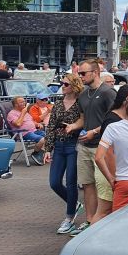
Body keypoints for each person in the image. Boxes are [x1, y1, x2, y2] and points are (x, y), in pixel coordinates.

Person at [67, 59, 116, 236]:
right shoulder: (83, 94)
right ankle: (89, 220)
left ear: (95, 73)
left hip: (101, 147)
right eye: (79, 73)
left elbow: (113, 120)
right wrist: (74, 126)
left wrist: (94, 132)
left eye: (83, 73)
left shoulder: (107, 92)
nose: (80, 77)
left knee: (103, 185)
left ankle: (102, 220)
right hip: (84, 145)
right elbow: (82, 118)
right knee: (87, 183)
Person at [43, 74, 85, 234]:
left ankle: (69, 218)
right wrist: (48, 148)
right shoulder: (58, 104)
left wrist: (75, 127)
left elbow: (84, 122)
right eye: (62, 83)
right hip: (59, 146)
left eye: (66, 84)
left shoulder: (81, 103)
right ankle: (74, 204)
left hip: (73, 145)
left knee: (72, 182)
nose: (63, 86)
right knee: (54, 182)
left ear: (74, 86)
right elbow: (51, 126)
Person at [91, 84, 128, 224]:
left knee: (108, 211)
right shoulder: (113, 119)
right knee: (103, 211)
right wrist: (114, 178)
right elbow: (108, 154)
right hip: (109, 172)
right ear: (125, 102)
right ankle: (90, 241)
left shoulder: (117, 117)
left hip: (112, 171)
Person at [7, 96, 47, 164]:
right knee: (43, 140)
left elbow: (31, 121)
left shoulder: (26, 112)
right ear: (16, 105)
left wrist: (37, 124)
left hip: (34, 131)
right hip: (24, 133)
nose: (24, 103)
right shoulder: (11, 114)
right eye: (21, 102)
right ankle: (36, 153)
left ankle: (39, 154)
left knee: (50, 137)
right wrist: (23, 113)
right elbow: (18, 124)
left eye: (24, 101)